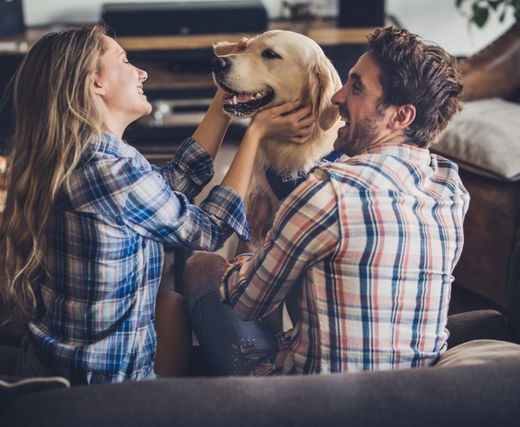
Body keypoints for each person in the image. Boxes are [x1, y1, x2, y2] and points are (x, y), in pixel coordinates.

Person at [0, 25, 315, 384]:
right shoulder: (110, 171)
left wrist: (225, 101)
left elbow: (172, 182)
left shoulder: (87, 156)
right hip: (99, 386)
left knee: (170, 304)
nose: (141, 72)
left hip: (50, 364)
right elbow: (207, 231)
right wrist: (254, 134)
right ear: (95, 82)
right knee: (182, 296)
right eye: (125, 61)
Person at [184, 26, 470, 376]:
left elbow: (246, 301)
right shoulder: (451, 188)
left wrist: (253, 242)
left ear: (401, 116)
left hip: (318, 400)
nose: (336, 97)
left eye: (356, 87)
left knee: (200, 264)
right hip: (413, 394)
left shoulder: (327, 192)